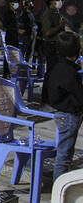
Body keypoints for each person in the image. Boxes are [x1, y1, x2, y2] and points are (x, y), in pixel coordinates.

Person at [48, 31, 83, 182]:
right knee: (64, 156)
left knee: (65, 153)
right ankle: (60, 191)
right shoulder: (69, 72)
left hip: (64, 114)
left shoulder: (59, 67)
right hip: (69, 115)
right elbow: (79, 96)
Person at [41, 0, 66, 103]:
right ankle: (45, 98)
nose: (58, 1)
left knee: (58, 72)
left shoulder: (57, 13)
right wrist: (60, 26)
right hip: (51, 46)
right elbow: (48, 32)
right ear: (51, 2)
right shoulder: (48, 14)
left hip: (58, 46)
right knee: (50, 72)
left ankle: (55, 96)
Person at [2, 0, 22, 78]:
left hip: (16, 37)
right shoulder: (7, 13)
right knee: (8, 55)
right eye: (15, 2)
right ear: (10, 3)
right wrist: (16, 31)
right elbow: (6, 26)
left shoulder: (16, 13)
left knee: (14, 55)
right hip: (10, 36)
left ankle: (13, 72)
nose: (17, 4)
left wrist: (19, 30)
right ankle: (6, 72)